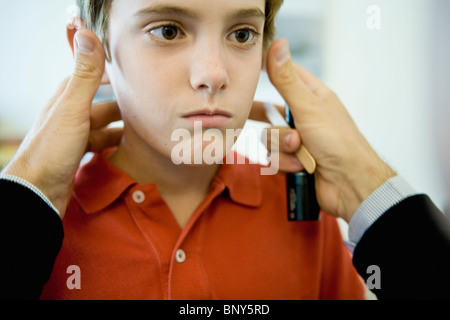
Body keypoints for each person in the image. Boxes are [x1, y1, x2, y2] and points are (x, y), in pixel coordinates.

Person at [1, 0, 449, 301]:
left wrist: (369, 186)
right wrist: (28, 193)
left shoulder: (308, 217)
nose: (213, 75)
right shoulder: (38, 234)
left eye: (241, 34)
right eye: (169, 29)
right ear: (90, 51)